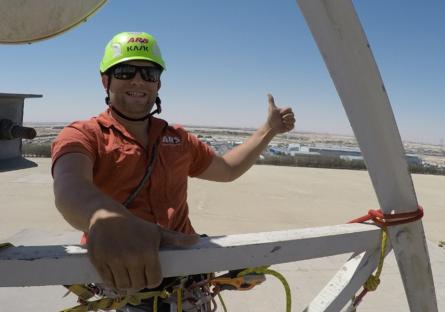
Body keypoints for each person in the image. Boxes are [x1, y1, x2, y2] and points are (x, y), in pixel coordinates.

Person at [51, 31, 295, 311]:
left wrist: (269, 130)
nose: (138, 80)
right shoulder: (83, 134)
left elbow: (227, 169)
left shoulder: (178, 139)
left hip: (187, 285)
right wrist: (103, 217)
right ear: (105, 80)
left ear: (158, 84)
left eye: (149, 74)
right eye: (125, 71)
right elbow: (69, 187)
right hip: (122, 284)